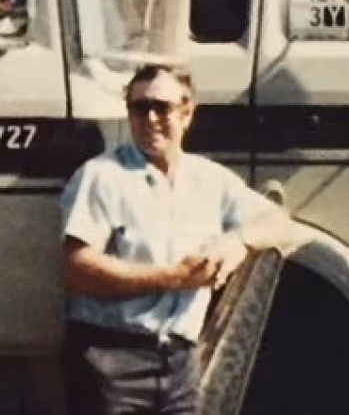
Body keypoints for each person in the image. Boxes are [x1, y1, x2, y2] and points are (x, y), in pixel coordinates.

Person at [60, 64, 295, 415]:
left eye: (161, 107)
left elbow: (278, 220)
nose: (150, 118)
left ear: (187, 113)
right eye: (139, 108)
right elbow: (77, 270)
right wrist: (175, 277)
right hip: (110, 361)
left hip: (180, 364)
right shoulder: (102, 176)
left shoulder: (210, 180)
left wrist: (238, 241)